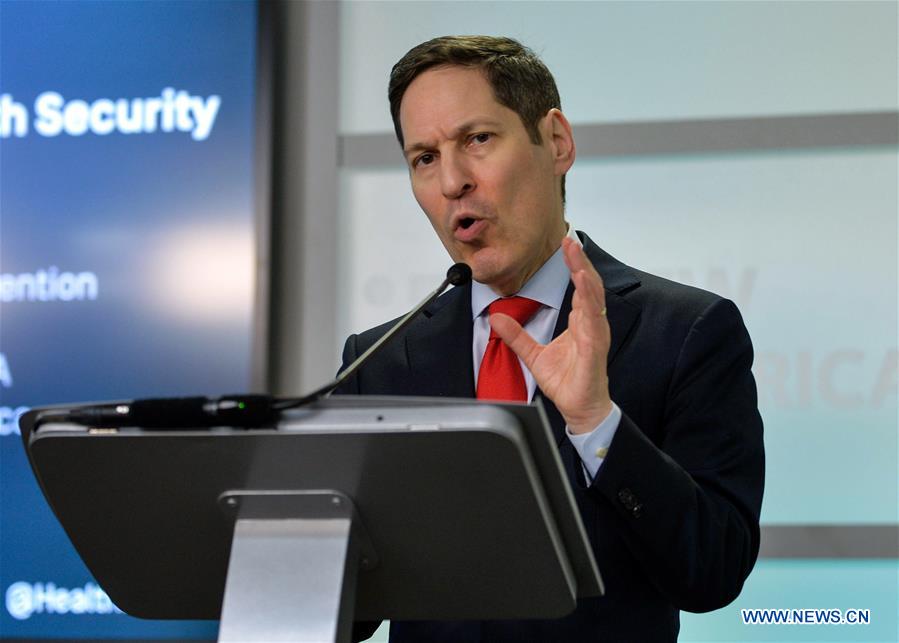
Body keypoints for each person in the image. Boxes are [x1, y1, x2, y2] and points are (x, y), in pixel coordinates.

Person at [338, 35, 764, 642]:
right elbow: (348, 610)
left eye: (477, 139)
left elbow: (712, 572)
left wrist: (597, 423)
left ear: (556, 142)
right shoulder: (382, 360)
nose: (453, 180)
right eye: (424, 158)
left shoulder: (686, 332)